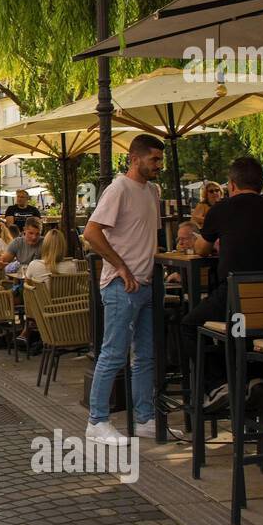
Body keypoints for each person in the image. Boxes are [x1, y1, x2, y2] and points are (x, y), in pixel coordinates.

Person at [181, 157, 263, 412]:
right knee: (246, 328)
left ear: (231, 185)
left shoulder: (221, 210)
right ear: (261, 183)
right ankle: (255, 380)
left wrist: (204, 239)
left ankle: (219, 385)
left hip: (237, 294)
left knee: (190, 324)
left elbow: (202, 248)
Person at [81, 133, 166, 443]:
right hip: (121, 285)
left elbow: (145, 237)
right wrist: (120, 266)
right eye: (154, 159)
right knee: (114, 354)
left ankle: (144, 418)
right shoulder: (118, 188)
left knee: (145, 356)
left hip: (144, 283)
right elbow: (91, 232)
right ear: (135, 159)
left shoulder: (153, 192)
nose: (159, 164)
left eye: (160, 159)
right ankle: (96, 422)